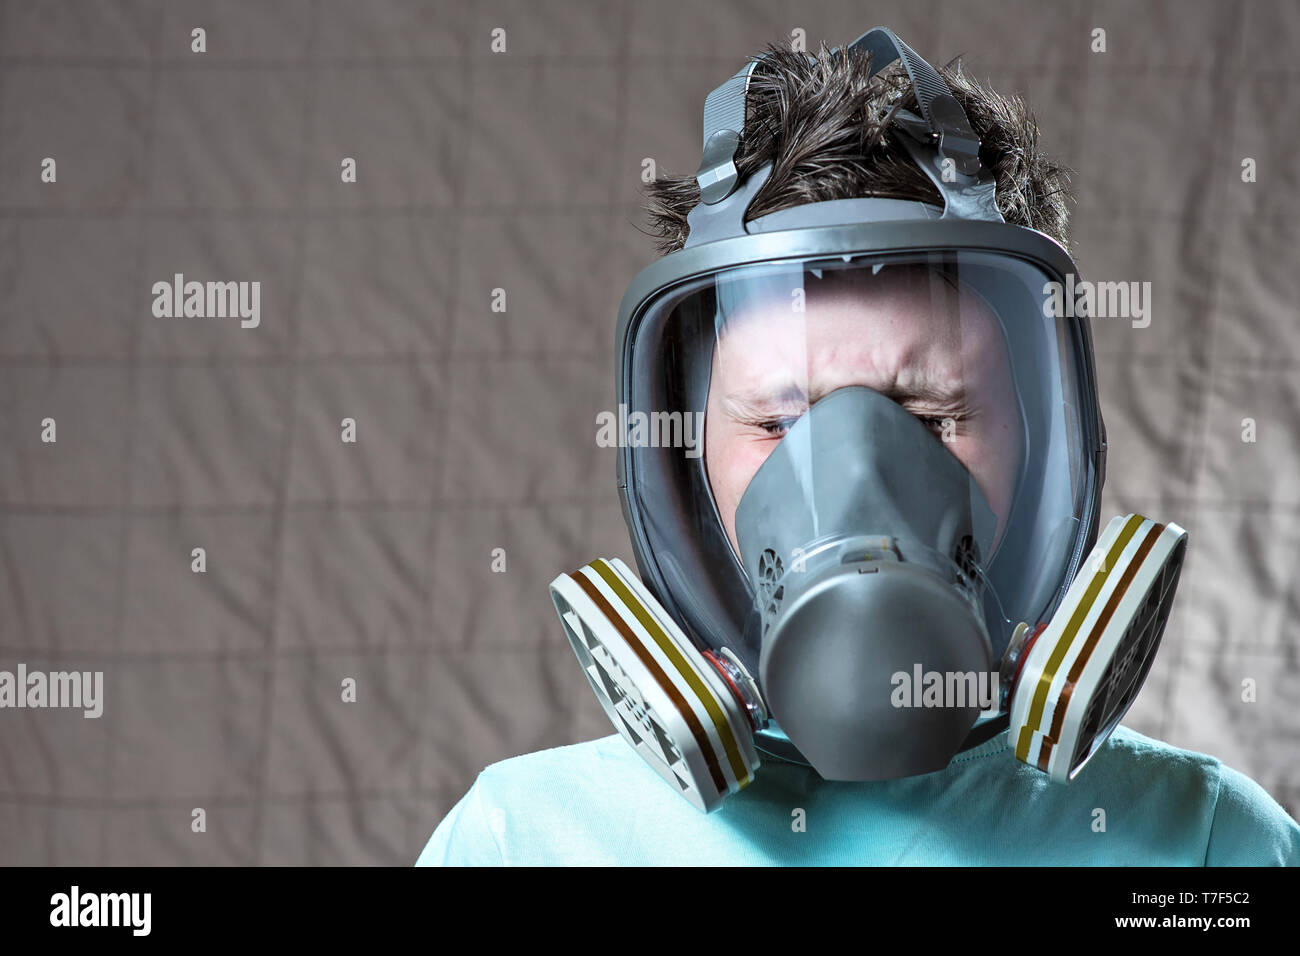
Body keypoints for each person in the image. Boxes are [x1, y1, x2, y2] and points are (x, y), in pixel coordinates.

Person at [416, 28, 1300, 866]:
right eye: (779, 424)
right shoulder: (523, 843)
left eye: (930, 416)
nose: (858, 477)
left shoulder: (1206, 847)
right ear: (687, 466)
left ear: (1043, 444)